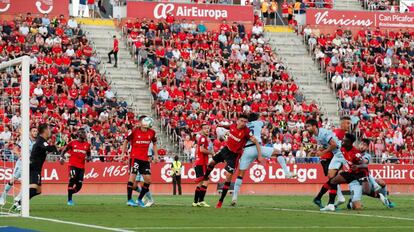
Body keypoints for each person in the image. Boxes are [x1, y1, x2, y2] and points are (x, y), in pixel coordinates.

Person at [231, 113, 296, 206]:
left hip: (247, 150)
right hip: (258, 148)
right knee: (278, 152)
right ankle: (286, 172)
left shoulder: (244, 125)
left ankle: (234, 198)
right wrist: (267, 130)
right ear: (257, 118)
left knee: (240, 175)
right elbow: (269, 124)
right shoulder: (259, 123)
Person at [202, 114, 263, 208]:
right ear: (238, 121)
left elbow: (255, 142)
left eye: (245, 122)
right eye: (242, 121)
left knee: (228, 176)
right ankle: (205, 177)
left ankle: (220, 201)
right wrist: (221, 125)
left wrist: (259, 156)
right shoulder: (233, 125)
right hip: (226, 149)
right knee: (212, 162)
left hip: (234, 156)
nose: (243, 123)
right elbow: (228, 126)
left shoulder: (246, 131)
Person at [305, 118, 346, 211]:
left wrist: (323, 152)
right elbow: (326, 145)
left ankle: (325, 200)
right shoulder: (316, 136)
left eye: (308, 126)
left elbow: (334, 144)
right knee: (332, 178)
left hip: (342, 153)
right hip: (336, 155)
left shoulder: (323, 133)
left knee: (354, 174)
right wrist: (315, 151)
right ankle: (330, 203)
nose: (306, 128)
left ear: (314, 126)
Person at [322, 133, 369, 212]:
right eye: (343, 139)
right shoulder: (342, 148)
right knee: (333, 181)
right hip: (350, 173)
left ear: (349, 142)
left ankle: (377, 194)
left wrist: (357, 166)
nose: (342, 140)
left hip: (359, 174)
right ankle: (331, 204)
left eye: (345, 139)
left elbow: (365, 165)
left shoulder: (356, 154)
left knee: (367, 191)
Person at [347, 139, 395, 210]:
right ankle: (351, 201)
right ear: (359, 144)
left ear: (367, 148)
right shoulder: (353, 152)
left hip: (365, 177)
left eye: (365, 145)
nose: (362, 146)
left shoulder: (367, 155)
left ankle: (386, 199)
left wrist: (358, 159)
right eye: (361, 144)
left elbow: (364, 162)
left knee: (381, 182)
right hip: (355, 179)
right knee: (355, 205)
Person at [121, 116, 158, 207]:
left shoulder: (152, 132)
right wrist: (123, 153)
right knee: (132, 179)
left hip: (145, 159)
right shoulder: (135, 131)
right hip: (135, 158)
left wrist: (156, 155)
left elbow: (155, 143)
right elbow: (126, 141)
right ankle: (129, 200)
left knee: (148, 180)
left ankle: (139, 199)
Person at [0, 128, 37, 208]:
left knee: (27, 183)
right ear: (30, 132)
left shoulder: (37, 143)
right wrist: (21, 156)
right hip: (21, 163)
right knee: (13, 180)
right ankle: (3, 196)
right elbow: (15, 149)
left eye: (36, 131)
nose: (35, 132)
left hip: (29, 164)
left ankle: (18, 200)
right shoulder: (25, 140)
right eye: (34, 131)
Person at [59, 128, 91, 206]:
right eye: (83, 133)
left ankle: (70, 192)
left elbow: (89, 155)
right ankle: (69, 200)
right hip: (72, 165)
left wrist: (88, 158)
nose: (85, 134)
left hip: (81, 167)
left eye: (85, 133)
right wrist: (61, 157)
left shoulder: (87, 145)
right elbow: (64, 150)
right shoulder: (73, 143)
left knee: (79, 185)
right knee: (72, 180)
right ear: (79, 134)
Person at [29, 124, 58, 200]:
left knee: (38, 191)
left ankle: (20, 201)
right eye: (49, 129)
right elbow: (48, 148)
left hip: (37, 168)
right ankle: (19, 202)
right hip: (33, 167)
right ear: (45, 130)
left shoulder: (43, 141)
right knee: (33, 188)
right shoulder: (40, 140)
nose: (50, 131)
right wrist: (54, 148)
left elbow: (47, 148)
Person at [192, 124, 213, 207]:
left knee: (200, 183)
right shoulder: (203, 138)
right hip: (202, 163)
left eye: (208, 128)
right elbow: (202, 149)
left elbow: (199, 150)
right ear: (201, 130)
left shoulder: (201, 138)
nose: (207, 130)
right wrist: (211, 152)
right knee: (206, 181)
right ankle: (201, 200)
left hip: (200, 162)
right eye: (205, 128)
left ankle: (195, 202)